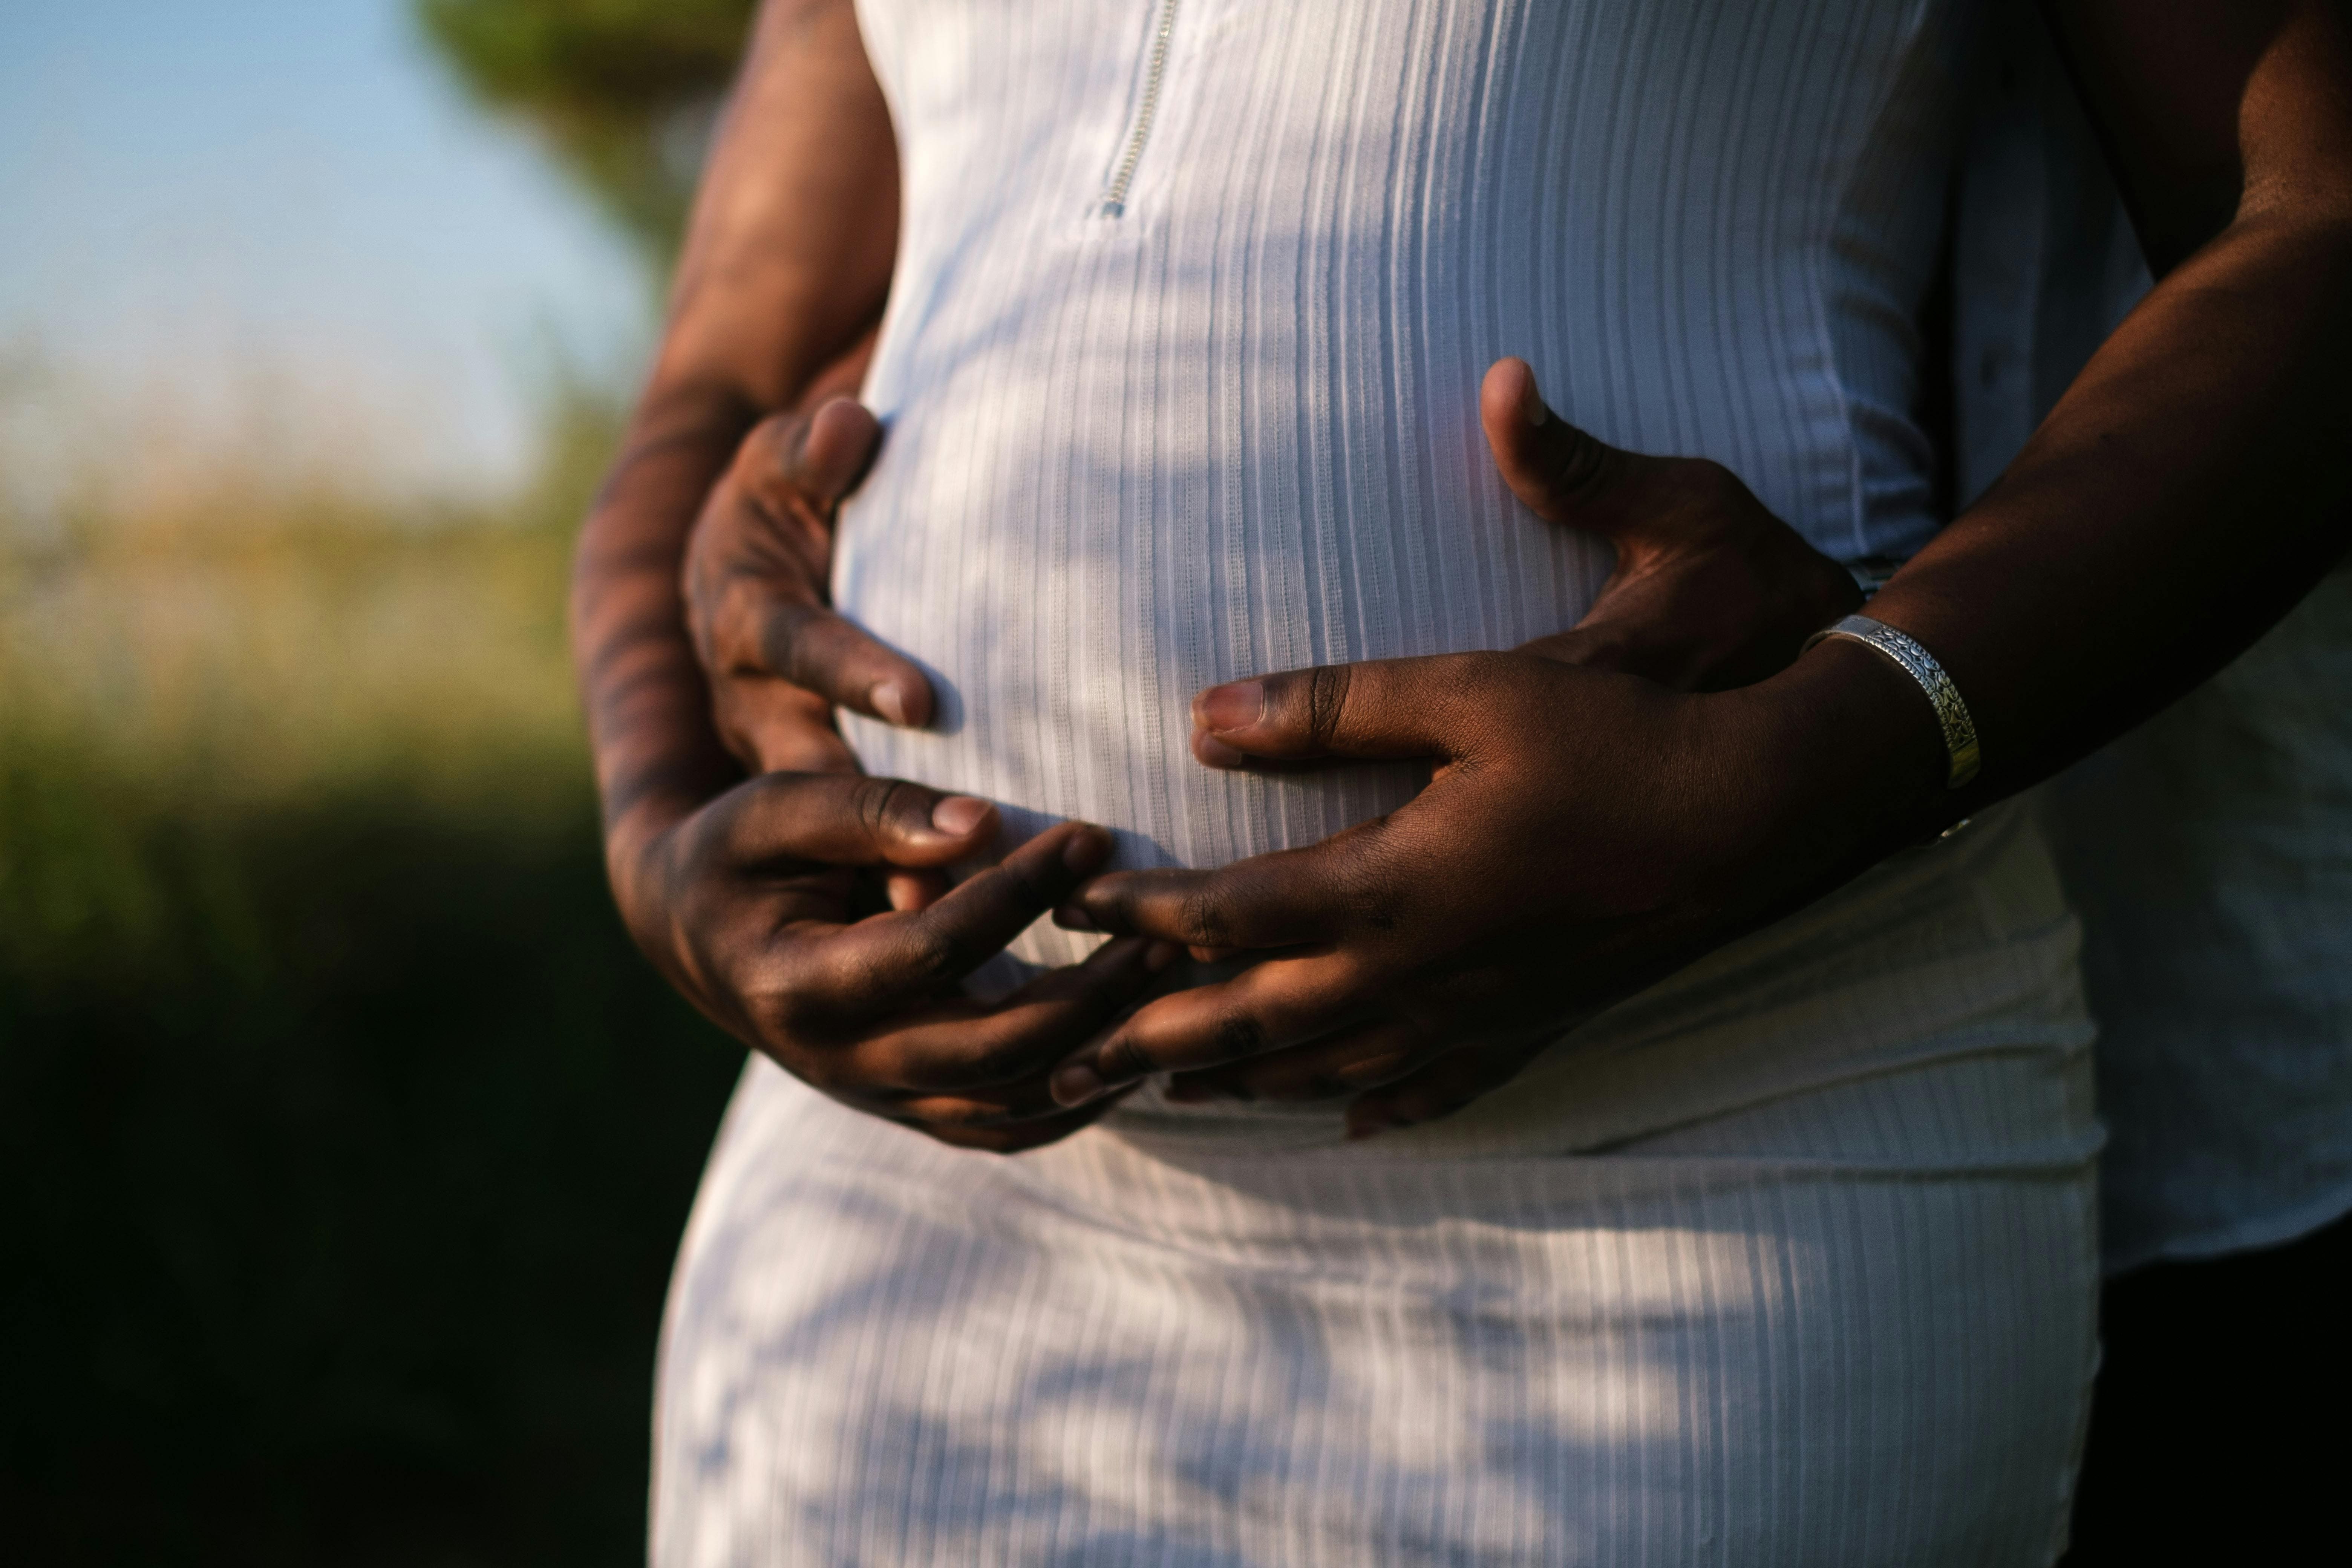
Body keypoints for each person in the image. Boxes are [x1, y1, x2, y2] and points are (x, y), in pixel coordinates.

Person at [570, 0, 2352, 1561]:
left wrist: (1821, 757)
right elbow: (718, 370)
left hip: (1718, 1159)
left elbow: (2316, 225)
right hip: (908, 1200)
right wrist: (658, 832)